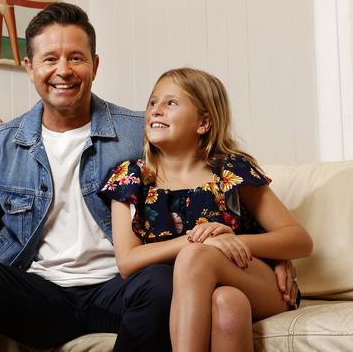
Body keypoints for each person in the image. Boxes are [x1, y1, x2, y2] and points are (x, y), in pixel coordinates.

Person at [0, 3, 300, 352]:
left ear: (94, 65)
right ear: (29, 68)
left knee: (160, 278)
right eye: (49, 59)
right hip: (40, 293)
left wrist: (274, 257)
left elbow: (214, 186)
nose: (62, 70)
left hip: (119, 289)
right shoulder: (2, 142)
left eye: (75, 58)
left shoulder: (141, 132)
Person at [100, 67, 313, 351]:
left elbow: (299, 240)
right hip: (193, 292)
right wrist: (199, 240)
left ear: (203, 122)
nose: (156, 110)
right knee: (228, 303)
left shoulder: (231, 170)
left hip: (252, 280)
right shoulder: (130, 178)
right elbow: (127, 262)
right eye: (153, 102)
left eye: (171, 103)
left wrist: (230, 243)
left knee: (196, 257)